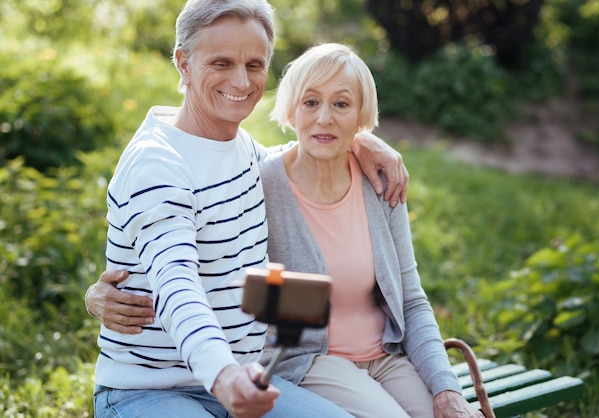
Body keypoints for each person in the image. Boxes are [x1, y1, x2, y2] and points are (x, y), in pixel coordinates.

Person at [88, 40, 481, 418]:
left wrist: (447, 389)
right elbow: (176, 265)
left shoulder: (379, 181)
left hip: (386, 357)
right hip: (307, 363)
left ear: (361, 115)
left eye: (341, 104)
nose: (324, 117)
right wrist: (96, 294)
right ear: (291, 109)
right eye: (310, 102)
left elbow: (411, 299)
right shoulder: (258, 178)